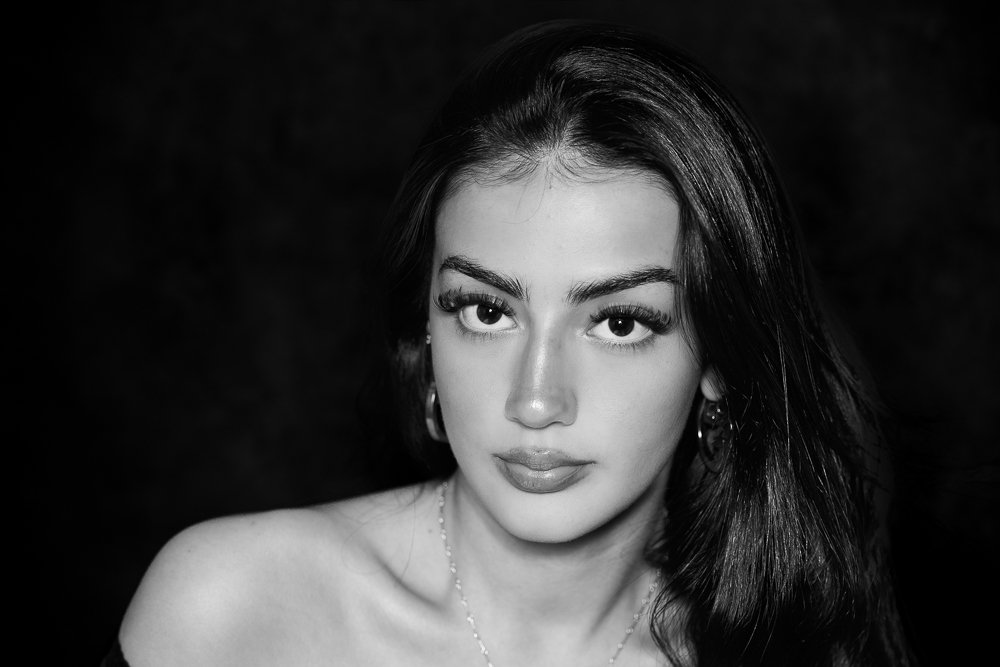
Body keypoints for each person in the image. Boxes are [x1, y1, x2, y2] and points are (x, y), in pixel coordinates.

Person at [108, 20, 912, 666]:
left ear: (718, 360)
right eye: (487, 310)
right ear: (427, 324)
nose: (535, 399)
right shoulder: (234, 606)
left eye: (620, 322)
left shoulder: (785, 646)